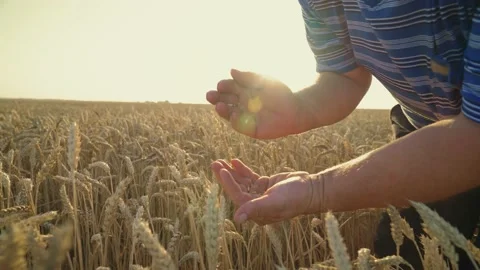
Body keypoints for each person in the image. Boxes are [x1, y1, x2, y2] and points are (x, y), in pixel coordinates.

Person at [206, 1, 480, 269]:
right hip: (420, 135)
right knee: (407, 255)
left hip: (467, 134)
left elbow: (473, 137)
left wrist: (317, 189)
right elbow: (346, 75)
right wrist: (300, 108)